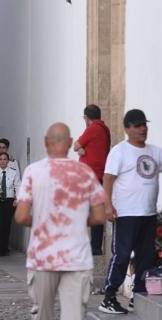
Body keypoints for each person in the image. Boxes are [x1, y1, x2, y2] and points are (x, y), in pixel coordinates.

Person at [99, 109, 162, 315]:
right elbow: (108, 178)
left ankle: (138, 296)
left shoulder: (154, 151)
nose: (143, 128)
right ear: (127, 129)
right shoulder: (119, 151)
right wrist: (108, 205)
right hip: (126, 212)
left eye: (144, 124)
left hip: (148, 213)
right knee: (122, 255)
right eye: (137, 125)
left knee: (146, 256)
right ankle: (109, 296)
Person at [15, 123, 105, 320]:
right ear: (71, 143)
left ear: (46, 142)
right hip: (77, 257)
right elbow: (99, 216)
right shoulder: (85, 172)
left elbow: (21, 216)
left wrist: (41, 220)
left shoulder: (33, 171)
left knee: (43, 315)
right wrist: (77, 221)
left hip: (43, 257)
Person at [73, 104, 111, 256]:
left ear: (86, 118)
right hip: (99, 175)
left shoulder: (92, 128)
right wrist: (84, 151)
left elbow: (76, 145)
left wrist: (82, 151)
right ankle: (95, 245)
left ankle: (86, 244)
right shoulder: (104, 129)